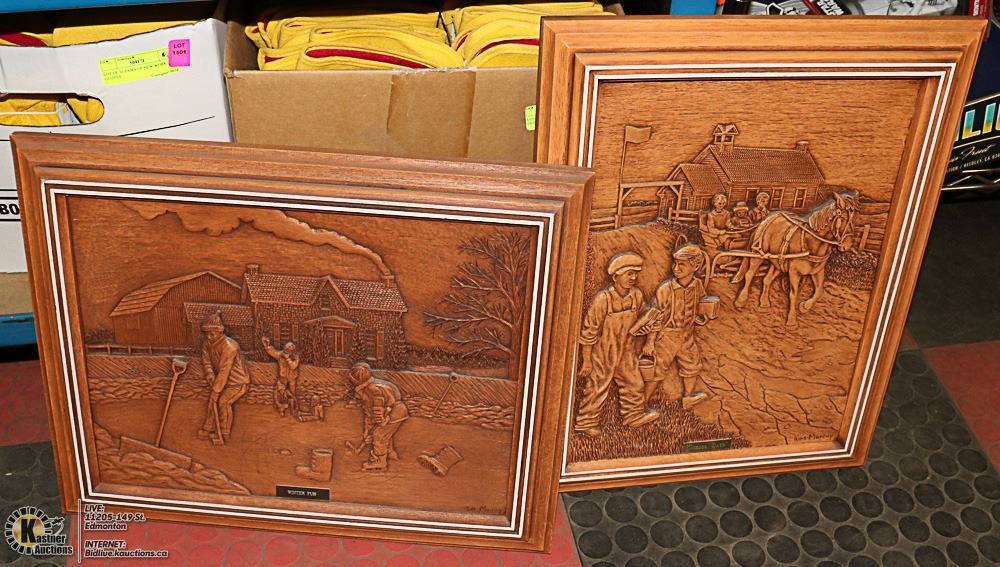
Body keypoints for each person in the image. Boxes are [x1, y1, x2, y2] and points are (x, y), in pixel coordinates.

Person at [574, 252, 661, 437]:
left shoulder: (636, 295)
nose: (633, 278)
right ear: (615, 277)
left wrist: (648, 337)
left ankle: (633, 415)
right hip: (604, 353)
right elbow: (589, 332)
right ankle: (586, 423)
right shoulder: (603, 299)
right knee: (597, 387)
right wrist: (587, 361)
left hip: (627, 351)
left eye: (635, 273)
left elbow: (648, 317)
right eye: (629, 273)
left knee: (634, 383)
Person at [634, 245, 711, 410]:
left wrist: (702, 316)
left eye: (682, 264)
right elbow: (656, 316)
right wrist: (650, 343)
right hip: (667, 336)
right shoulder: (665, 289)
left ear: (695, 266)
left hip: (686, 334)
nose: (676, 268)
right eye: (675, 263)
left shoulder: (697, 285)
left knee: (691, 365)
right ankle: (641, 405)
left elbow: (701, 305)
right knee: (657, 370)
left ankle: (688, 398)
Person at [197, 312, 250, 442]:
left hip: (238, 382)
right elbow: (206, 362)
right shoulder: (207, 344)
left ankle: (224, 432)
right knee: (212, 400)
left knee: (223, 401)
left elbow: (224, 371)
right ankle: (208, 428)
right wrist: (210, 376)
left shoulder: (229, 346)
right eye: (207, 333)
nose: (209, 337)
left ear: (220, 332)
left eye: (212, 334)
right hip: (221, 381)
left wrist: (216, 390)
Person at [349, 362, 408, 471]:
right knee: (385, 433)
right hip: (397, 411)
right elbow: (370, 410)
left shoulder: (372, 389)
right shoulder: (372, 385)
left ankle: (380, 461)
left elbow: (378, 408)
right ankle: (390, 453)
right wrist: (368, 430)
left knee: (379, 435)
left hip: (394, 413)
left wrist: (380, 420)